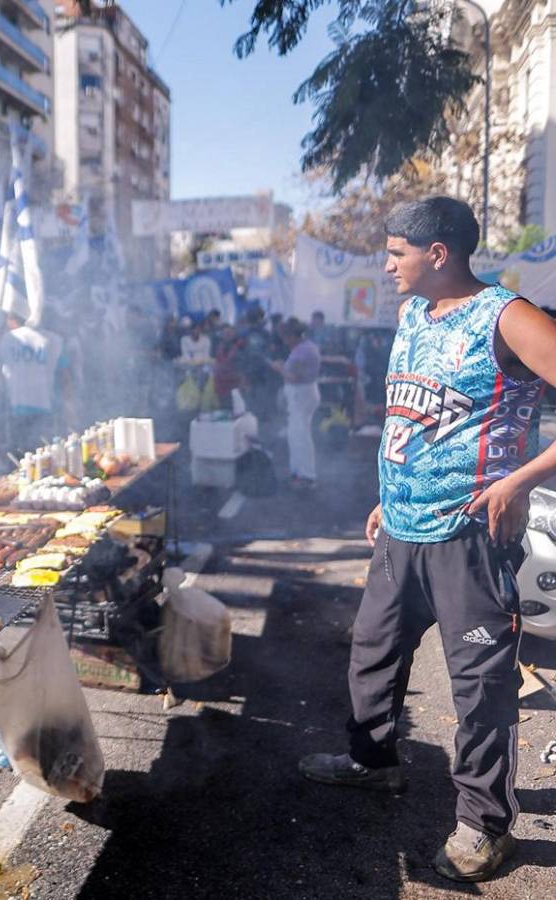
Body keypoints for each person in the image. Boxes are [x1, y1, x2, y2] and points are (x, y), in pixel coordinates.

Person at [298, 197, 556, 882]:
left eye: (395, 253)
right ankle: (372, 763)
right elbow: (411, 414)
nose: (386, 266)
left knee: (480, 688)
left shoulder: (509, 315)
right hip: (401, 531)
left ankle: (484, 823)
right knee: (374, 654)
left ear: (437, 254)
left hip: (470, 535)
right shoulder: (415, 313)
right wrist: (387, 493)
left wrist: (520, 480)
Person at [0, 314, 67, 455]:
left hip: (17, 407)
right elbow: (64, 372)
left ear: (12, 319)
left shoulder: (6, 340)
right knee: (47, 455)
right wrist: (67, 403)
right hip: (45, 404)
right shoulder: (54, 339)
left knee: (24, 458)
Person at [273, 318, 321, 489]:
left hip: (302, 394)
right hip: (302, 394)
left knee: (301, 437)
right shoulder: (306, 347)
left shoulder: (302, 352)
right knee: (295, 435)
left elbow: (294, 377)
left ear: (293, 335)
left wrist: (279, 368)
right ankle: (297, 473)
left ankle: (307, 476)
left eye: (286, 337)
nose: (285, 341)